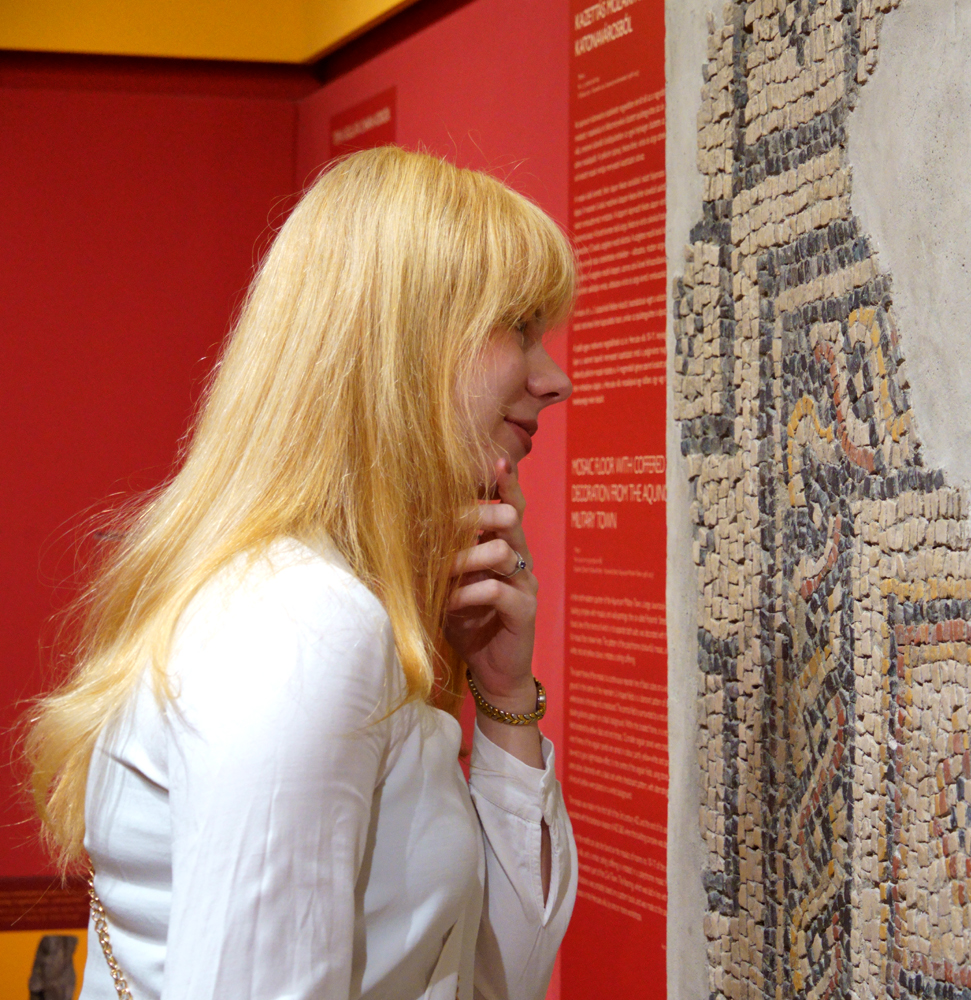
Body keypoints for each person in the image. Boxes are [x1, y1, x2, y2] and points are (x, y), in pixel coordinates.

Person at [24, 146, 578, 1000]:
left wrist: (503, 691)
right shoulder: (301, 624)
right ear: (405, 343)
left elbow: (494, 975)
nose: (555, 379)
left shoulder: (319, 603)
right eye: (519, 327)